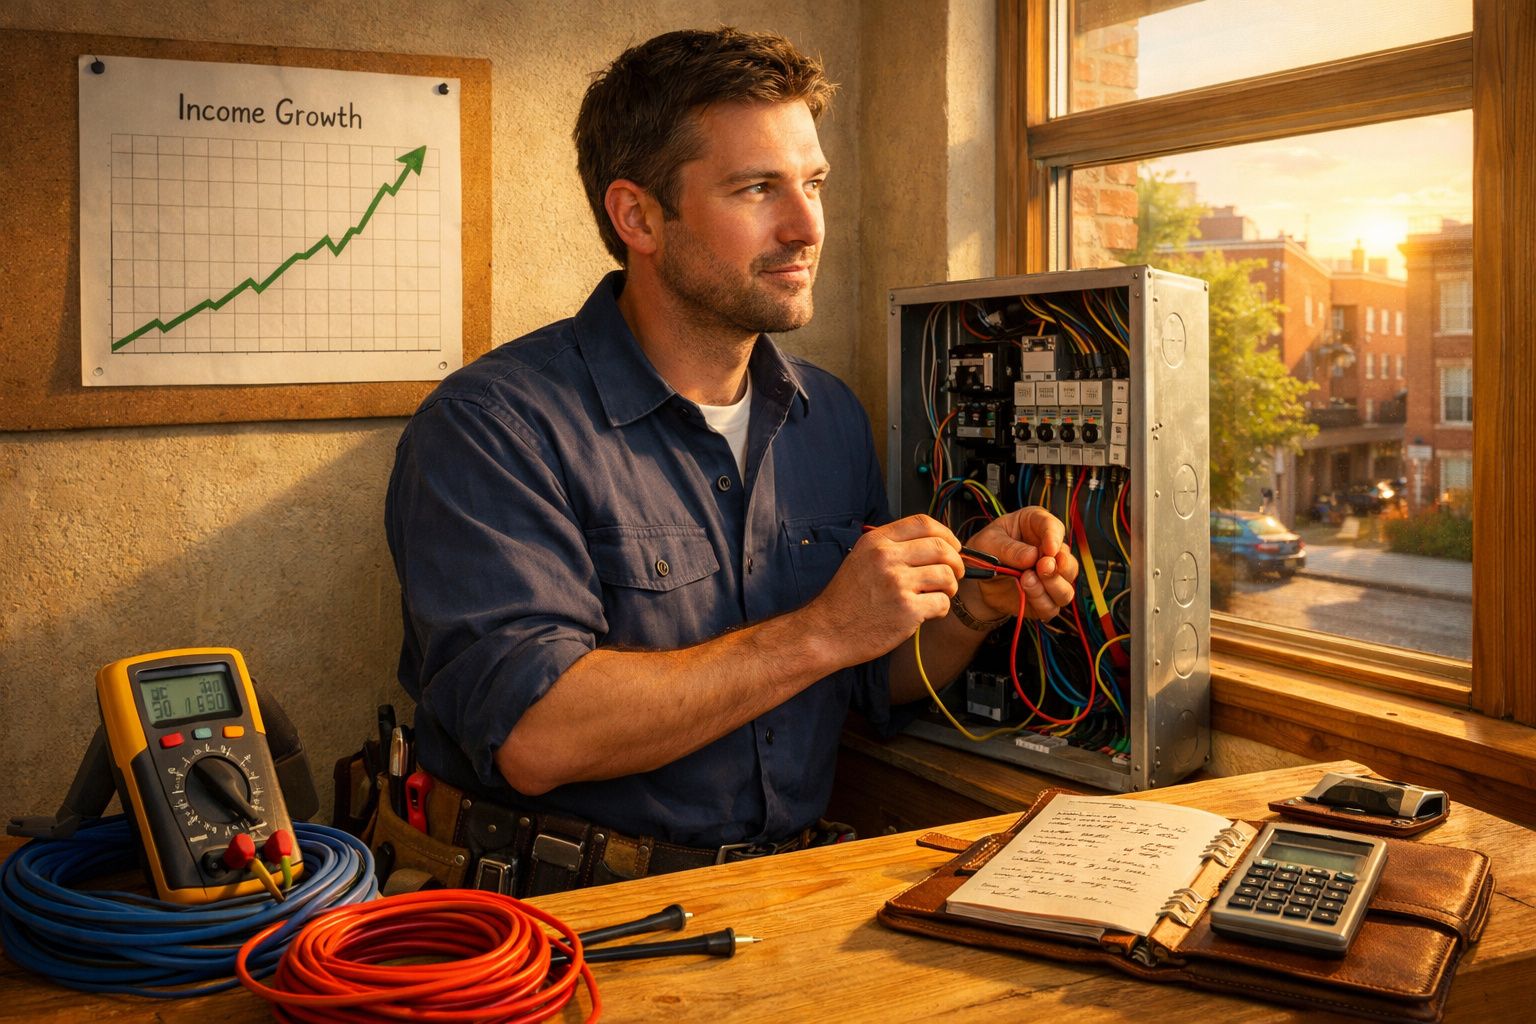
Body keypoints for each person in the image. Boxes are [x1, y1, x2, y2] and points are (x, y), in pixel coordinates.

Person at [385, 27, 1078, 894]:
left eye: (813, 183)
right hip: (552, 912)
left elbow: (867, 676)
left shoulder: (828, 419)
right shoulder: (493, 428)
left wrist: (970, 606)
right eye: (757, 188)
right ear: (637, 215)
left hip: (781, 898)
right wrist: (823, 627)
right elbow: (537, 734)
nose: (805, 225)